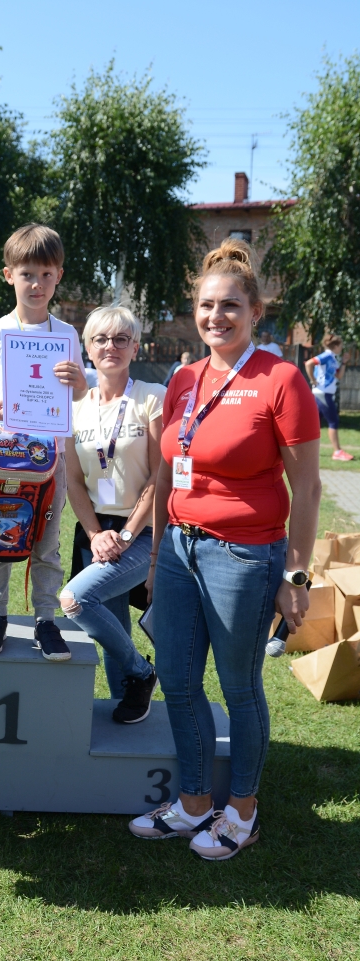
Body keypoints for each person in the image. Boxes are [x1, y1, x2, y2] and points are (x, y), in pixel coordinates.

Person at [130, 238, 321, 860]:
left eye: (231, 306)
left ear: (255, 311)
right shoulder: (184, 378)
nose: (217, 316)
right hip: (178, 551)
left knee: (239, 687)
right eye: (207, 305)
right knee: (178, 681)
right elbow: (167, 472)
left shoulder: (281, 379)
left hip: (244, 555)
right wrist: (156, 558)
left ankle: (241, 811)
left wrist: (296, 576)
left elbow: (308, 487)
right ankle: (192, 803)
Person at [0, 223, 88, 660]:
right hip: (6, 456)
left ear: (59, 276)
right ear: (9, 276)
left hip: (50, 457)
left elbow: (78, 394)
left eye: (46, 274)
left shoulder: (67, 334)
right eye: (27, 274)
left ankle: (45, 620)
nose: (36, 284)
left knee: (46, 542)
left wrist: (78, 382)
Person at [60, 305, 165, 722]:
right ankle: (130, 700)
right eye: (101, 339)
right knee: (112, 620)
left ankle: (141, 673)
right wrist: (94, 534)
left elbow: (159, 475)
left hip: (141, 531)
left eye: (122, 339)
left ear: (135, 347)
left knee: (76, 599)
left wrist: (125, 535)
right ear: (87, 347)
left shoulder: (150, 397)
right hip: (96, 530)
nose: (111, 346)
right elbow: (73, 482)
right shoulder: (74, 408)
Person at [305, 336, 353, 461]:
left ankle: (305, 450)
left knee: (315, 423)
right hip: (323, 393)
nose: (342, 348)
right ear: (335, 346)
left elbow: (339, 376)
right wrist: (312, 380)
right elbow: (309, 363)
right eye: (341, 345)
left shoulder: (333, 358)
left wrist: (344, 362)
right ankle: (337, 452)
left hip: (324, 393)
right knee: (333, 421)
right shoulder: (326, 356)